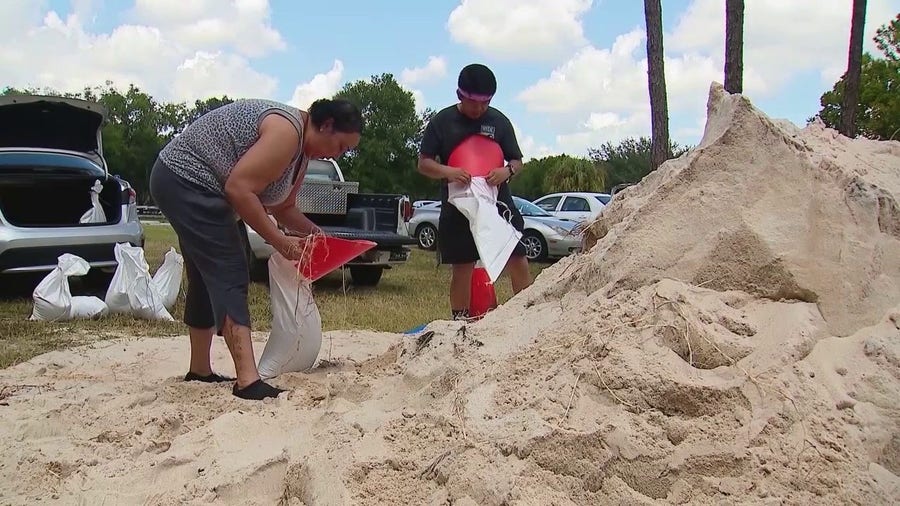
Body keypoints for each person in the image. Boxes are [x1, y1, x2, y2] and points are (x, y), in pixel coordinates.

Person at [149, 97, 363, 400]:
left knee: (204, 275)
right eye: (341, 146)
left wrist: (318, 236)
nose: (339, 155)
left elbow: (284, 207)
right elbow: (239, 188)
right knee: (230, 270)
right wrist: (279, 241)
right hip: (185, 179)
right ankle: (248, 381)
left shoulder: (302, 153)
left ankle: (200, 370)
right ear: (326, 126)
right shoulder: (287, 133)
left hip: (191, 183)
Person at [417, 63, 532, 321]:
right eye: (474, 103)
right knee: (463, 264)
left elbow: (517, 161)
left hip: (497, 200)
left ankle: (527, 313)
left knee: (517, 254)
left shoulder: (499, 121)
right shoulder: (442, 122)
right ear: (460, 95)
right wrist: (449, 171)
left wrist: (506, 172)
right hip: (459, 203)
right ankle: (460, 320)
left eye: (486, 103)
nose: (479, 109)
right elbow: (424, 163)